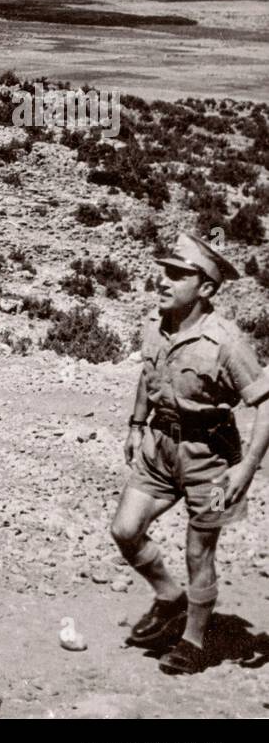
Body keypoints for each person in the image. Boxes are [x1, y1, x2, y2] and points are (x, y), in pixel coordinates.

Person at [111, 232, 269, 675]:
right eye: (165, 271)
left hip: (213, 464)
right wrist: (136, 424)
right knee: (125, 529)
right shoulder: (158, 325)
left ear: (206, 288)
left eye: (178, 274)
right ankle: (169, 597)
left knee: (200, 551)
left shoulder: (226, 342)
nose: (164, 281)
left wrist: (247, 471)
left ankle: (195, 640)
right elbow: (148, 376)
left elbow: (265, 403)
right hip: (159, 451)